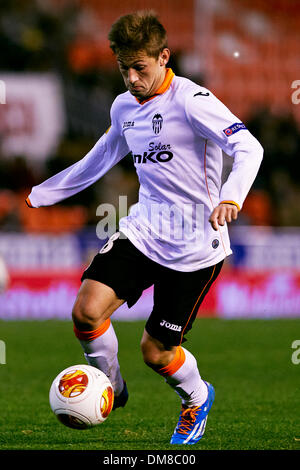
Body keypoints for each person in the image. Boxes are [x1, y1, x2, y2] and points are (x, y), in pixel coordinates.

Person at [26, 11, 263, 445]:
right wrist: (42, 194)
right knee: (86, 311)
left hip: (195, 246)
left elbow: (247, 145)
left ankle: (195, 396)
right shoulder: (123, 107)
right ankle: (111, 389)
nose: (132, 78)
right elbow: (99, 159)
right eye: (123, 68)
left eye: (140, 67)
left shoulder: (192, 101)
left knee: (156, 353)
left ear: (163, 57)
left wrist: (232, 197)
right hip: (145, 231)